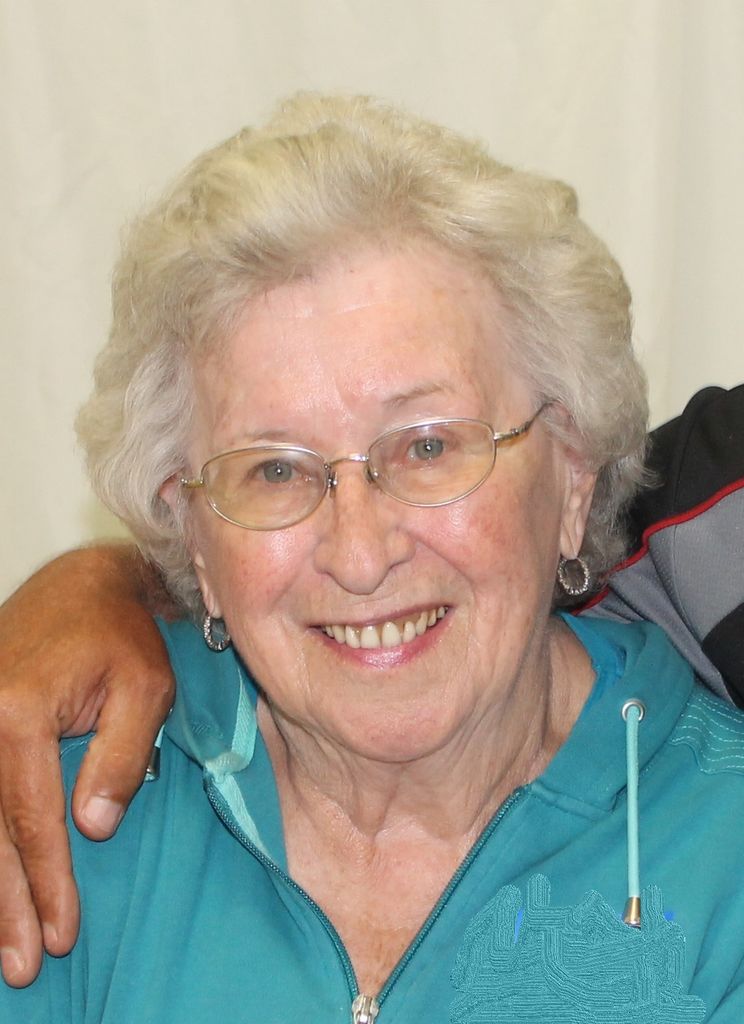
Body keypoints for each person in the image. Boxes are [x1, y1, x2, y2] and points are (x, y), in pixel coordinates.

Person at [1, 93, 743, 1021]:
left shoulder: (722, 856)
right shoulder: (58, 814)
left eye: (428, 446)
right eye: (274, 469)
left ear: (572, 476)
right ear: (191, 533)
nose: (358, 556)